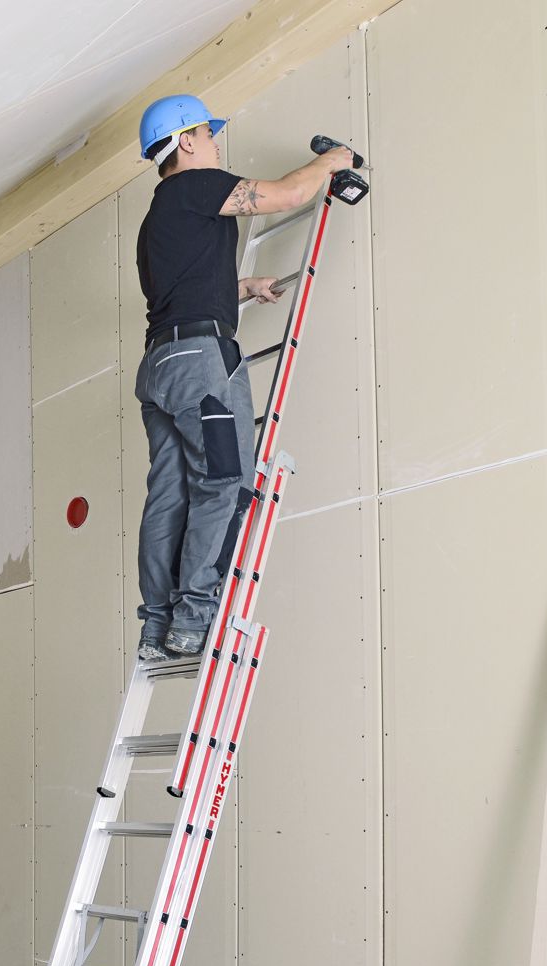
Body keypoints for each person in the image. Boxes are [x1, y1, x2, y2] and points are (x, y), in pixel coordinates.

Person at [134, 94, 353, 660]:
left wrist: (243, 288)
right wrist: (330, 164)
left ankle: (157, 627)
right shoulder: (196, 186)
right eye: (208, 134)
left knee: (168, 495)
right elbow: (286, 195)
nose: (215, 143)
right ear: (185, 141)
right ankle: (194, 618)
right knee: (221, 481)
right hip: (201, 363)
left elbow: (178, 292)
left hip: (159, 367)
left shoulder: (156, 218)